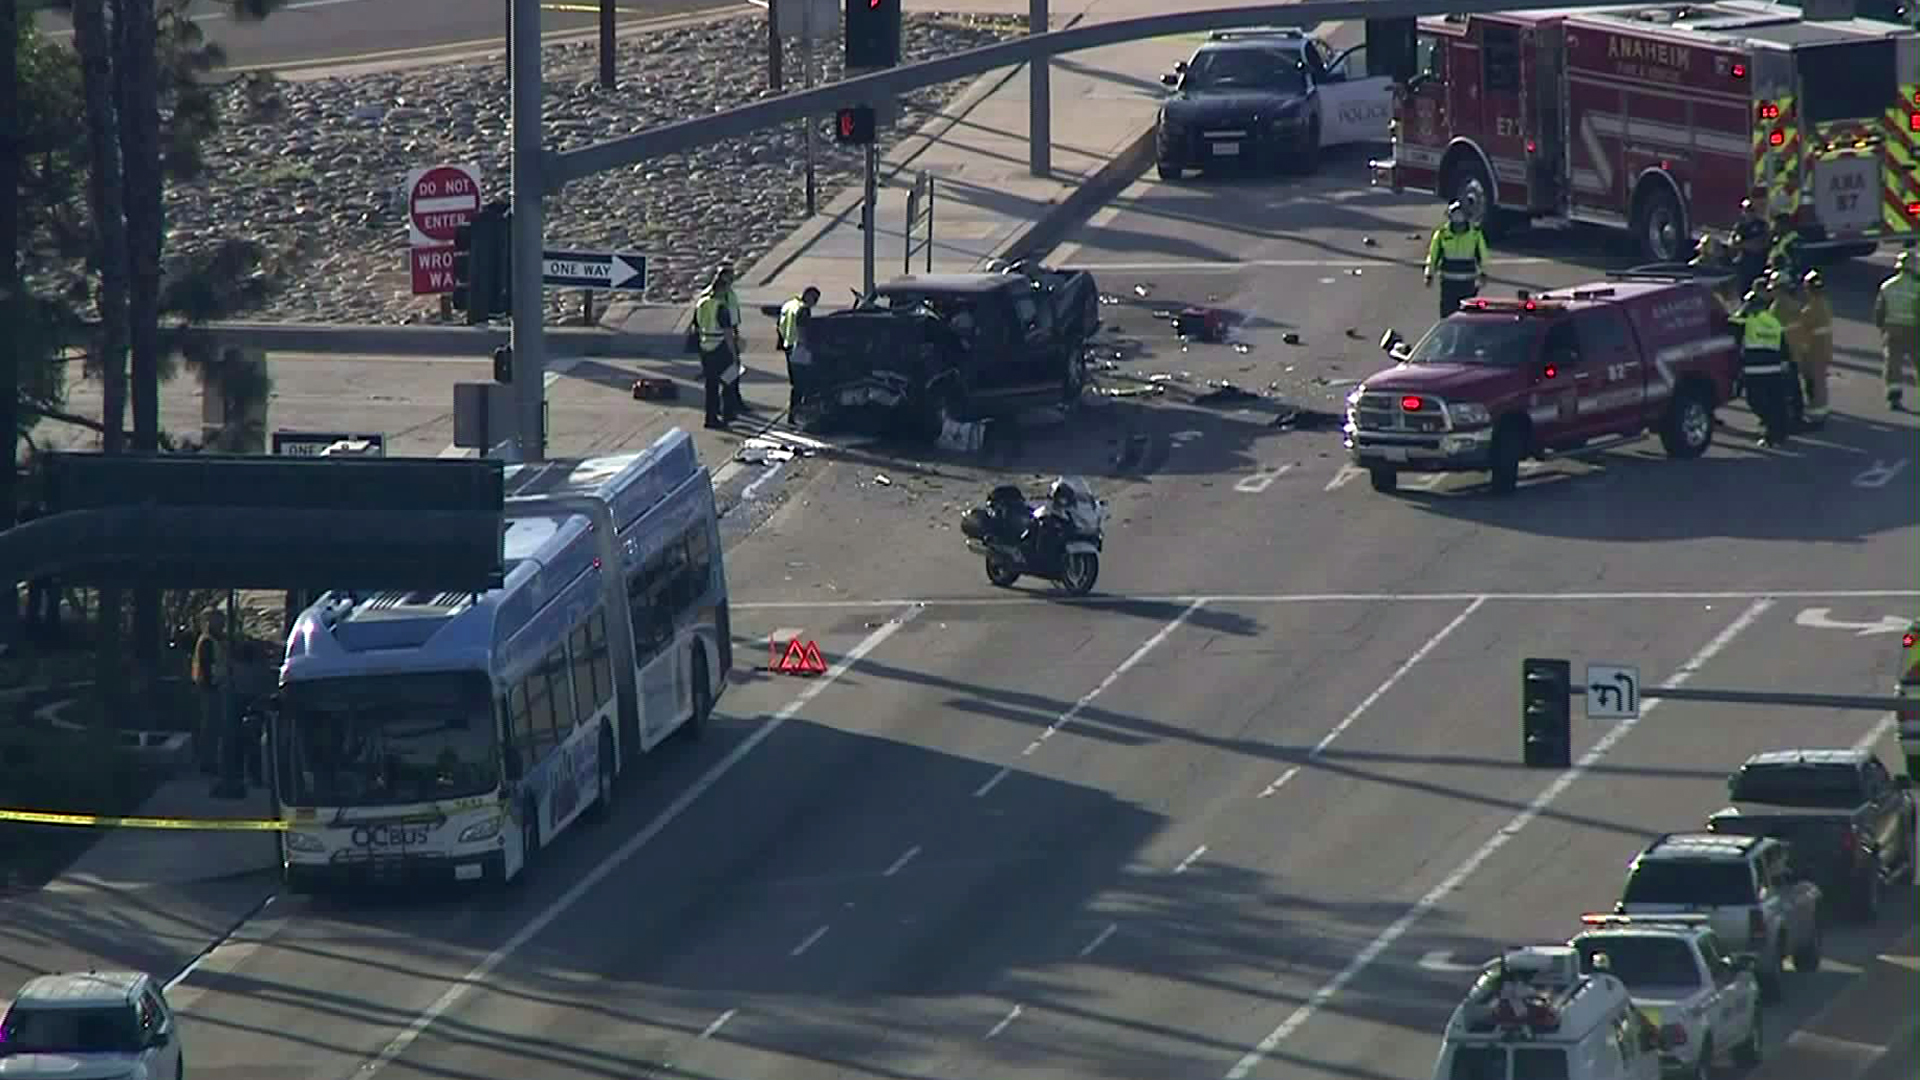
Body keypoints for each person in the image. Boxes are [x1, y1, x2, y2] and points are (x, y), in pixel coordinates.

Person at [1728, 288, 1792, 446]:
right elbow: (1783, 345)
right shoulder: (1773, 321)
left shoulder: (1748, 320)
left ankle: (1772, 428)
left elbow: (1731, 326)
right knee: (1776, 402)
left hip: (1755, 369)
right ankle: (1779, 433)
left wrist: (1742, 310)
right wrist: (1785, 362)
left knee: (1756, 402)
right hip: (1774, 369)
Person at [691, 266, 743, 428]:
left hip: (705, 345)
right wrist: (734, 354)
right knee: (729, 379)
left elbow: (697, 324)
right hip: (720, 347)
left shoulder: (702, 303)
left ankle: (711, 417)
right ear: (722, 288)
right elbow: (728, 333)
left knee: (711, 385)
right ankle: (728, 413)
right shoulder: (721, 307)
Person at [1425, 202, 1489, 319]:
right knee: (1448, 315)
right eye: (1455, 215)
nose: (1458, 219)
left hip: (1467, 282)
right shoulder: (1442, 234)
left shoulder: (1475, 233)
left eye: (1461, 215)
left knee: (1468, 315)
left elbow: (1482, 255)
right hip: (1448, 281)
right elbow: (1433, 255)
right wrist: (1429, 274)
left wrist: (1483, 273)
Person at [1874, 250, 1918, 410]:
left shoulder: (1886, 286)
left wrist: (1882, 328)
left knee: (1893, 365)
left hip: (1892, 330)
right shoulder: (1917, 287)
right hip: (1913, 330)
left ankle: (1894, 398)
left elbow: (1879, 310)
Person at [191, 610, 229, 776]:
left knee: (212, 726)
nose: (222, 625)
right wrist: (213, 683)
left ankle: (210, 759)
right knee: (209, 726)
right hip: (210, 688)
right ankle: (207, 762)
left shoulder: (214, 640)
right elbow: (207, 666)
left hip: (213, 687)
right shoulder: (207, 641)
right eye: (219, 622)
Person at [777, 286, 820, 416]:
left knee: (795, 382)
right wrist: (809, 346)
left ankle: (794, 413)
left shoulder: (789, 305)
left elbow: (780, 325)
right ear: (808, 296)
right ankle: (796, 413)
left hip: (788, 345)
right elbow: (802, 330)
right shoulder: (803, 310)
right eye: (815, 299)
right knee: (803, 383)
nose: (815, 303)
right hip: (799, 348)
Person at [1798, 269, 1833, 429]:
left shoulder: (1809, 311)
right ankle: (1821, 411)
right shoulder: (1824, 305)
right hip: (1824, 349)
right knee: (1820, 383)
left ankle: (1816, 415)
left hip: (1812, 352)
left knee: (1814, 384)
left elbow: (1802, 333)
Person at [1729, 199, 1769, 294]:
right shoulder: (1740, 226)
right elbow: (1732, 243)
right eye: (1746, 210)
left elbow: (1761, 244)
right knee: (1744, 289)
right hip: (1745, 263)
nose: (1749, 213)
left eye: (1751, 210)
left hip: (1759, 261)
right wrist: (1742, 244)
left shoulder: (1761, 224)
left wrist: (1742, 244)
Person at [1767, 211, 1803, 282]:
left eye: (1777, 225)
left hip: (1787, 275)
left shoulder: (1793, 239)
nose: (1774, 227)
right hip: (1773, 273)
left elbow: (1795, 262)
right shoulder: (1776, 240)